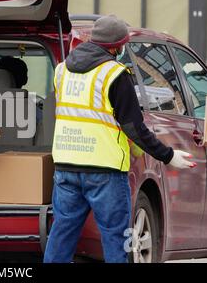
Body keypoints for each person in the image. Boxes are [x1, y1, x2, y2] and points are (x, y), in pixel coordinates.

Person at [44, 15, 195, 263]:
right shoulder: (115, 74)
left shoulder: (61, 71)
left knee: (61, 235)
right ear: (117, 46)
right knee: (117, 239)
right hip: (105, 171)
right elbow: (134, 127)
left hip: (66, 168)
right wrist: (168, 156)